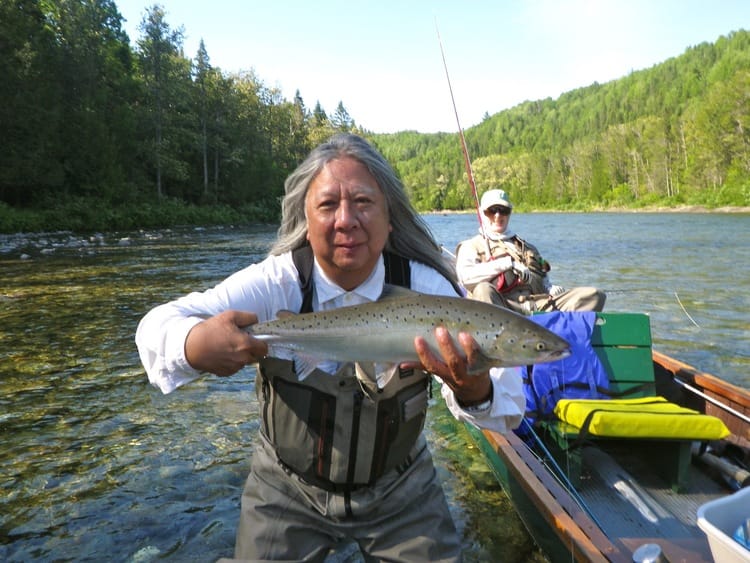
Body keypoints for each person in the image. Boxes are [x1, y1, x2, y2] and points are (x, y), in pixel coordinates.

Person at [135, 133, 525, 562]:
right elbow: (156, 326)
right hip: (285, 488)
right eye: (327, 205)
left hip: (402, 489)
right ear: (306, 216)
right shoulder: (276, 283)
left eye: (362, 202)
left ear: (389, 216)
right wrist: (194, 344)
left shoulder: (429, 288)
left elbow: (506, 408)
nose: (346, 220)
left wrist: (473, 389)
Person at [456, 189, 606, 315]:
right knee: (483, 290)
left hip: (537, 307)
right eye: (492, 211)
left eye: (503, 210)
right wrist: (507, 264)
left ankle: (560, 339)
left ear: (510, 213)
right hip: (502, 310)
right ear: (483, 213)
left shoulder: (529, 248)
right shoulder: (470, 246)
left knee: (594, 295)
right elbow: (466, 278)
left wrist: (551, 288)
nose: (498, 216)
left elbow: (545, 277)